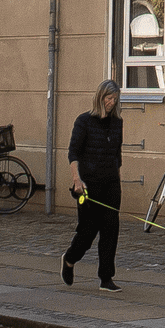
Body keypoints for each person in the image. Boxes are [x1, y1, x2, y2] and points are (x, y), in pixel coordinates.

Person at [61, 79, 125, 291]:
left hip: (111, 184)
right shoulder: (84, 121)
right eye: (108, 98)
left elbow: (117, 154)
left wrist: (117, 178)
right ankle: (69, 259)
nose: (111, 102)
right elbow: (73, 153)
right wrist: (76, 180)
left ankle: (106, 278)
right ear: (100, 97)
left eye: (115, 99)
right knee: (88, 232)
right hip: (88, 185)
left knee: (110, 230)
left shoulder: (117, 122)